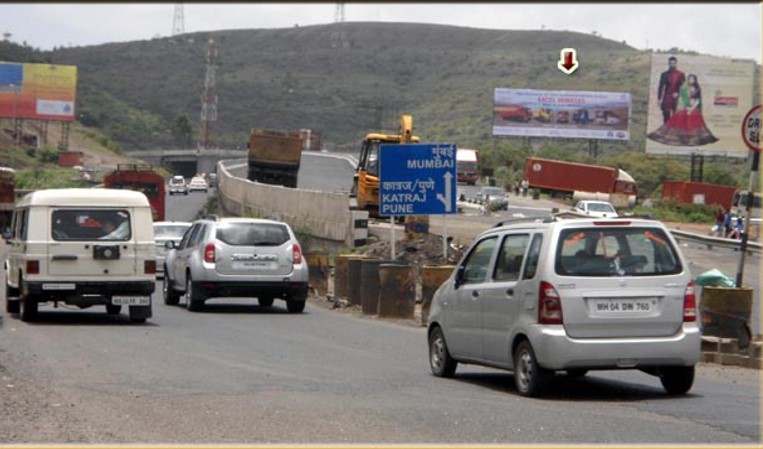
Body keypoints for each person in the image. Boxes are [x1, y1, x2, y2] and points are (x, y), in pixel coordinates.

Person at [647, 74, 718, 146]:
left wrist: (691, 108)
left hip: (694, 107)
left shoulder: (697, 88)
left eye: (692, 79)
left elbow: (697, 100)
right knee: (678, 117)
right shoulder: (684, 87)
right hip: (684, 107)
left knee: (692, 117)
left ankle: (691, 139)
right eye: (690, 79)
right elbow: (681, 97)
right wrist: (678, 97)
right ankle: (680, 137)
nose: (691, 81)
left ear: (695, 80)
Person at [656, 56, 685, 123]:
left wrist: (678, 94)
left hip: (677, 97)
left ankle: (675, 131)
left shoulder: (680, 74)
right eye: (670, 63)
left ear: (676, 64)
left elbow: (684, 87)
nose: (672, 65)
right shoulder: (664, 74)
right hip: (667, 96)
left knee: (676, 115)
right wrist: (659, 98)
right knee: (666, 115)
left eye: (673, 63)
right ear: (668, 64)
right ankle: (666, 131)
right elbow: (661, 86)